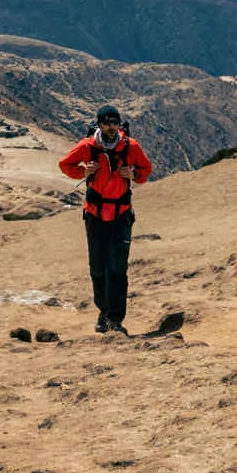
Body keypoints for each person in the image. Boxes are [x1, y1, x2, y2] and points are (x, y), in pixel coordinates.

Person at [57, 105, 153, 333]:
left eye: (115, 121)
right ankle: (103, 311)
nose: (112, 126)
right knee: (97, 269)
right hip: (95, 215)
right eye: (107, 122)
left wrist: (135, 175)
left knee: (117, 270)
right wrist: (83, 172)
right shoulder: (88, 146)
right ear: (99, 124)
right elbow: (65, 164)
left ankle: (115, 320)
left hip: (121, 215)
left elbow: (146, 170)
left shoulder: (131, 146)